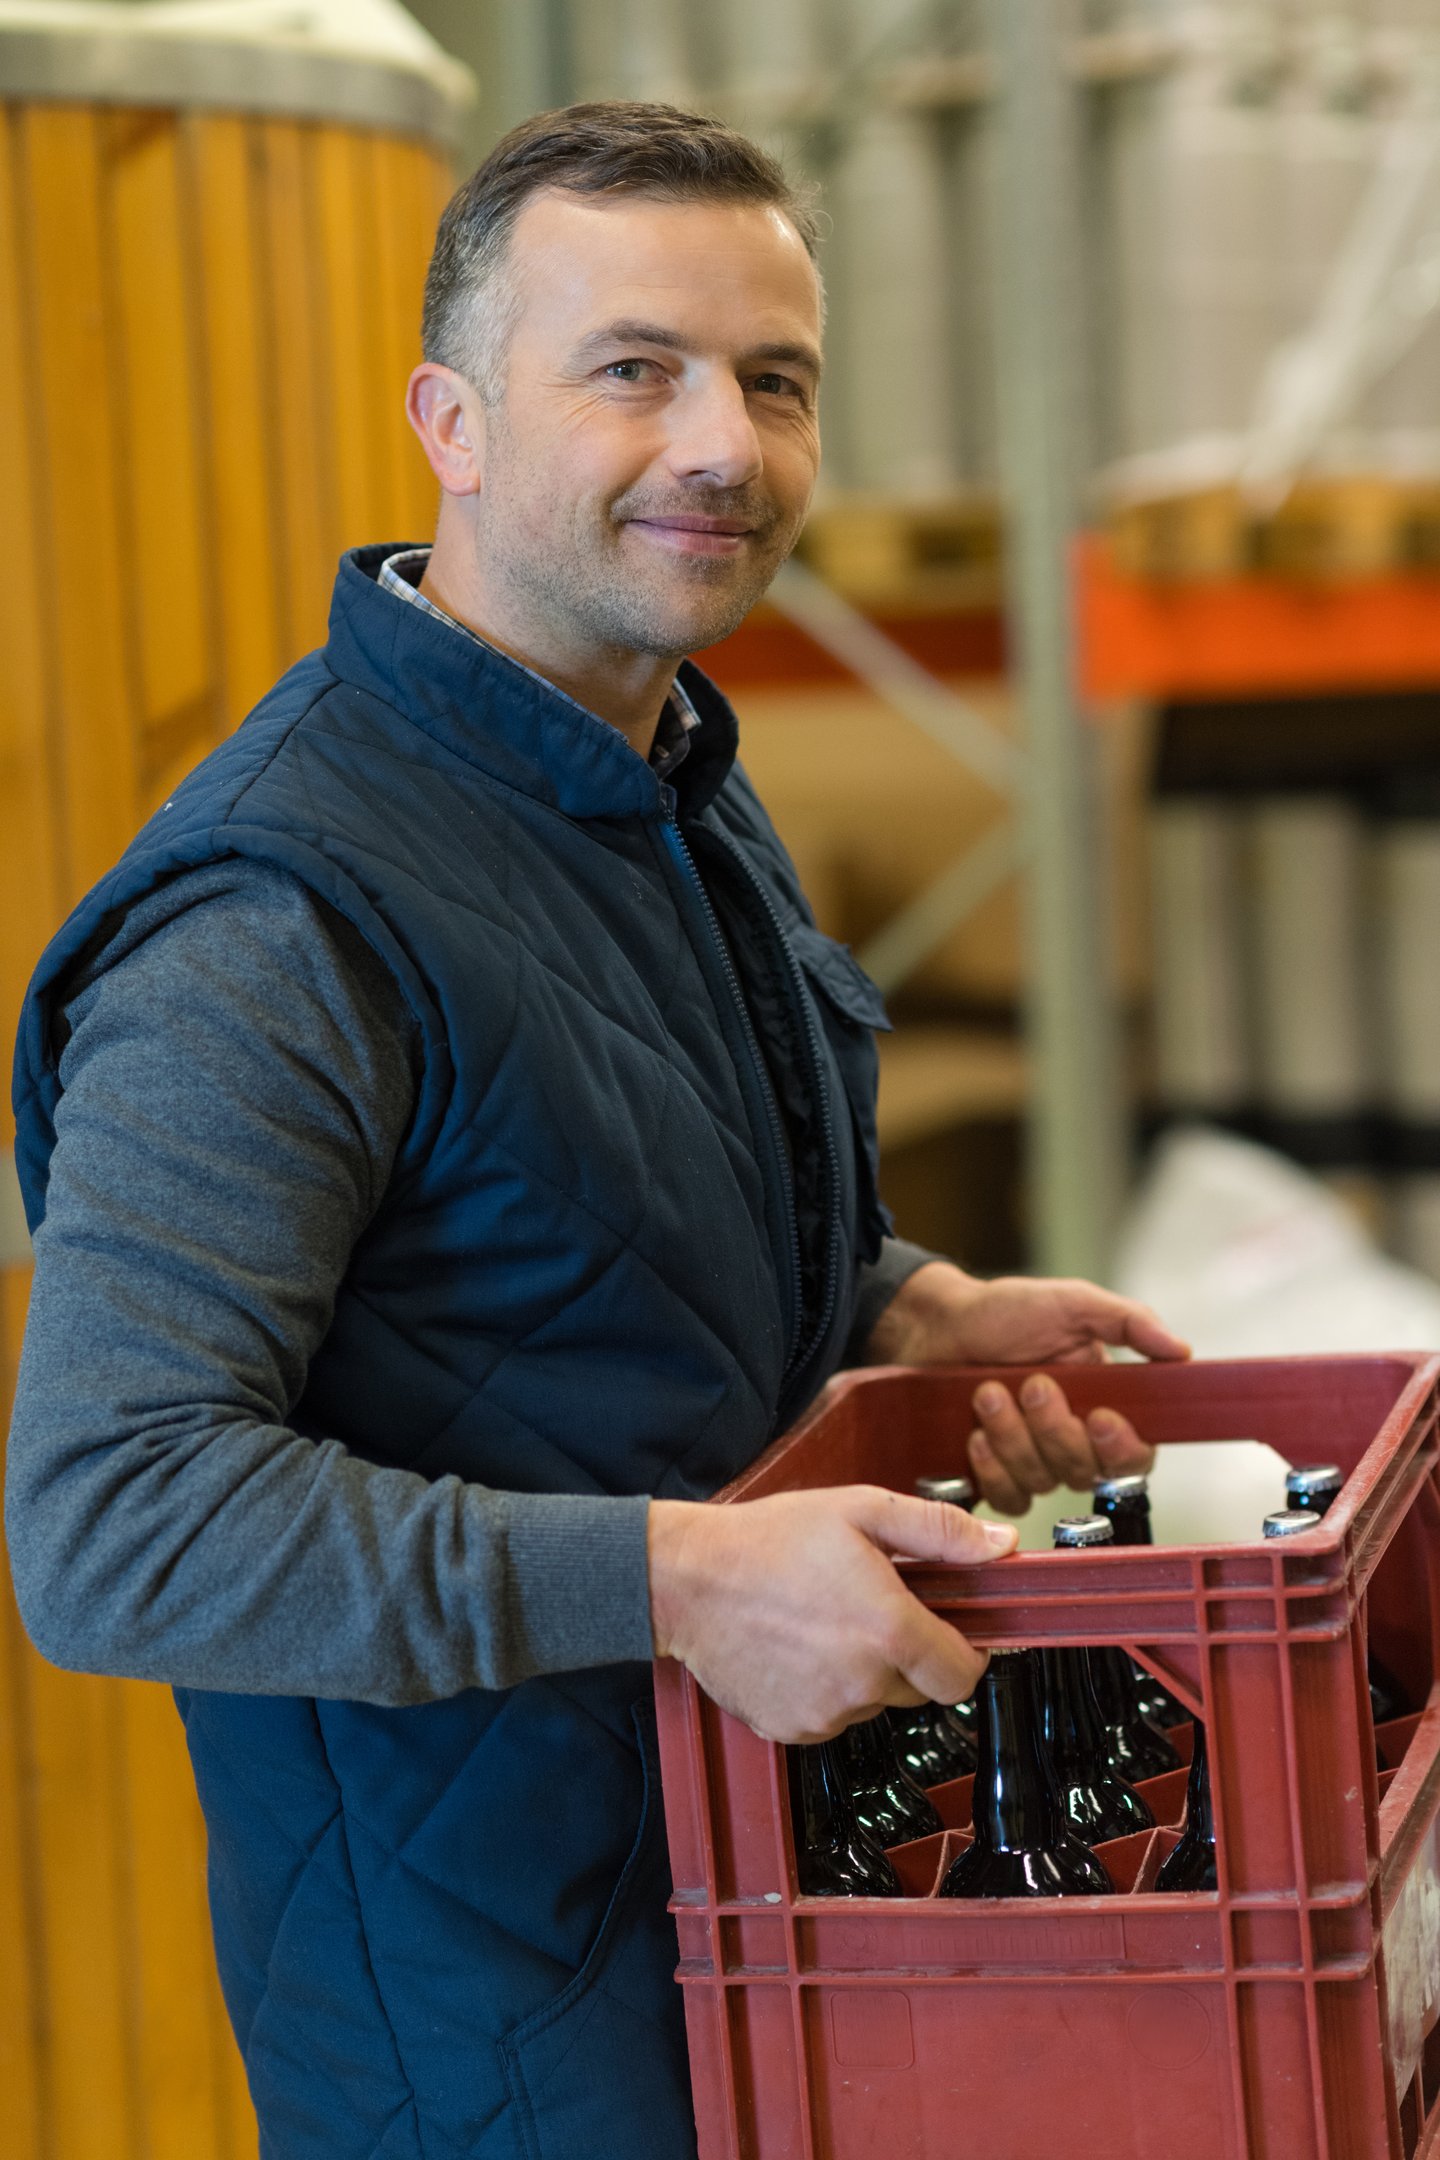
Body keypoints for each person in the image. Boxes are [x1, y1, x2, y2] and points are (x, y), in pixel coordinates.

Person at [6, 102, 1186, 2160]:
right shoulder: (280, 917)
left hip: (746, 1917)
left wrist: (910, 1309)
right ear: (450, 423)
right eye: (633, 368)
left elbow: (584, 1199)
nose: (723, 441)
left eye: (776, 378)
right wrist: (679, 1583)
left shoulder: (658, 769)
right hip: (504, 2035)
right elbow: (115, 1527)